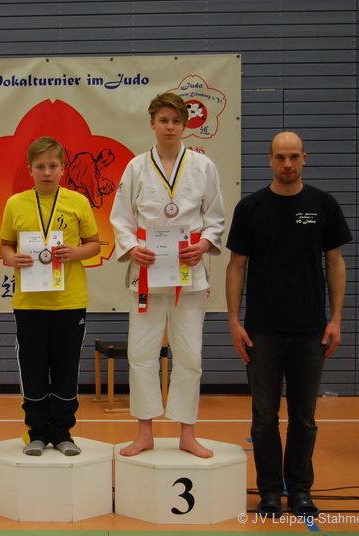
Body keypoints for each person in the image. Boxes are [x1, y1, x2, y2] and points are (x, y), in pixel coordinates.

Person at [226, 131, 350, 517]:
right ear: (270, 160)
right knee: (264, 418)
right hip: (261, 331)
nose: (287, 164)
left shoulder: (323, 205)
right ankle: (268, 491)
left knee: (303, 418)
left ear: (304, 158)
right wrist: (233, 321)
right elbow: (236, 266)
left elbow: (335, 263)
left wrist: (336, 319)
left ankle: (300, 490)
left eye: (294, 157)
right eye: (280, 157)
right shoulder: (250, 208)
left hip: (310, 330)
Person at [110, 92, 225, 458]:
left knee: (190, 355)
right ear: (152, 124)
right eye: (163, 120)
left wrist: (203, 244)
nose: (170, 127)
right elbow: (120, 219)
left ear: (185, 125)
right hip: (147, 272)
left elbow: (215, 217)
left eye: (176, 121)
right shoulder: (136, 167)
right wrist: (132, 248)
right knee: (141, 353)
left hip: (188, 274)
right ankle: (144, 431)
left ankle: (187, 432)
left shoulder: (203, 166)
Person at [0, 137, 100, 456]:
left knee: (66, 367)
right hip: (29, 304)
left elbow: (94, 244)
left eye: (53, 166)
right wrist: (12, 258)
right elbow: (5, 246)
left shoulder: (77, 202)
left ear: (63, 169)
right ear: (30, 169)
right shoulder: (15, 204)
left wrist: (75, 252)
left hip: (69, 301)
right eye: (40, 166)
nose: (46, 172)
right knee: (33, 367)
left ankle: (63, 432)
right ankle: (36, 433)